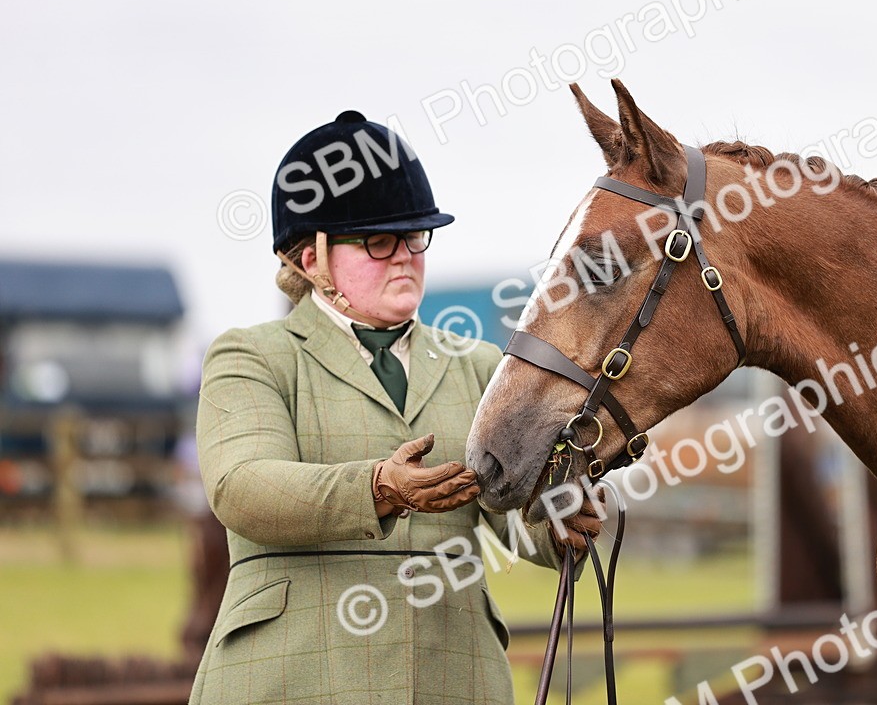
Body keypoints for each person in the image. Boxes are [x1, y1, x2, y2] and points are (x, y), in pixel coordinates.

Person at [188, 111, 598, 705]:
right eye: (380, 241)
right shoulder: (251, 356)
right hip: (291, 677)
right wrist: (379, 488)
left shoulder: (484, 366)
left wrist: (559, 523)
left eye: (415, 237)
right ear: (312, 260)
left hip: (453, 678)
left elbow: (514, 519)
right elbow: (242, 487)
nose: (405, 255)